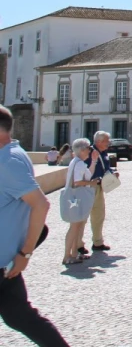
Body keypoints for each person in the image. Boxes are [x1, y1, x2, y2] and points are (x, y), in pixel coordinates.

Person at [0, 105, 71, 346]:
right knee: (20, 316)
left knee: (22, 317)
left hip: (6, 258)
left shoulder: (7, 162)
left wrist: (25, 253)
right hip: (6, 261)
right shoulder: (15, 153)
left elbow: (41, 204)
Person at [79, 131, 118, 255]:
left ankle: (97, 242)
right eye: (107, 141)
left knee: (99, 215)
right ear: (99, 142)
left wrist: (112, 174)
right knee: (83, 217)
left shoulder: (104, 152)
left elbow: (106, 167)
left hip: (99, 186)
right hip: (88, 187)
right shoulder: (89, 153)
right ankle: (78, 244)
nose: (109, 143)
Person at [62, 139, 96, 266]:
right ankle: (67, 255)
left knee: (78, 226)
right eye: (88, 148)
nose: (89, 150)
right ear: (82, 150)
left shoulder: (75, 162)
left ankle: (74, 254)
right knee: (75, 227)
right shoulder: (79, 163)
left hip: (76, 198)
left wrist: (94, 160)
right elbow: (77, 182)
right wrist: (91, 183)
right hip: (77, 198)